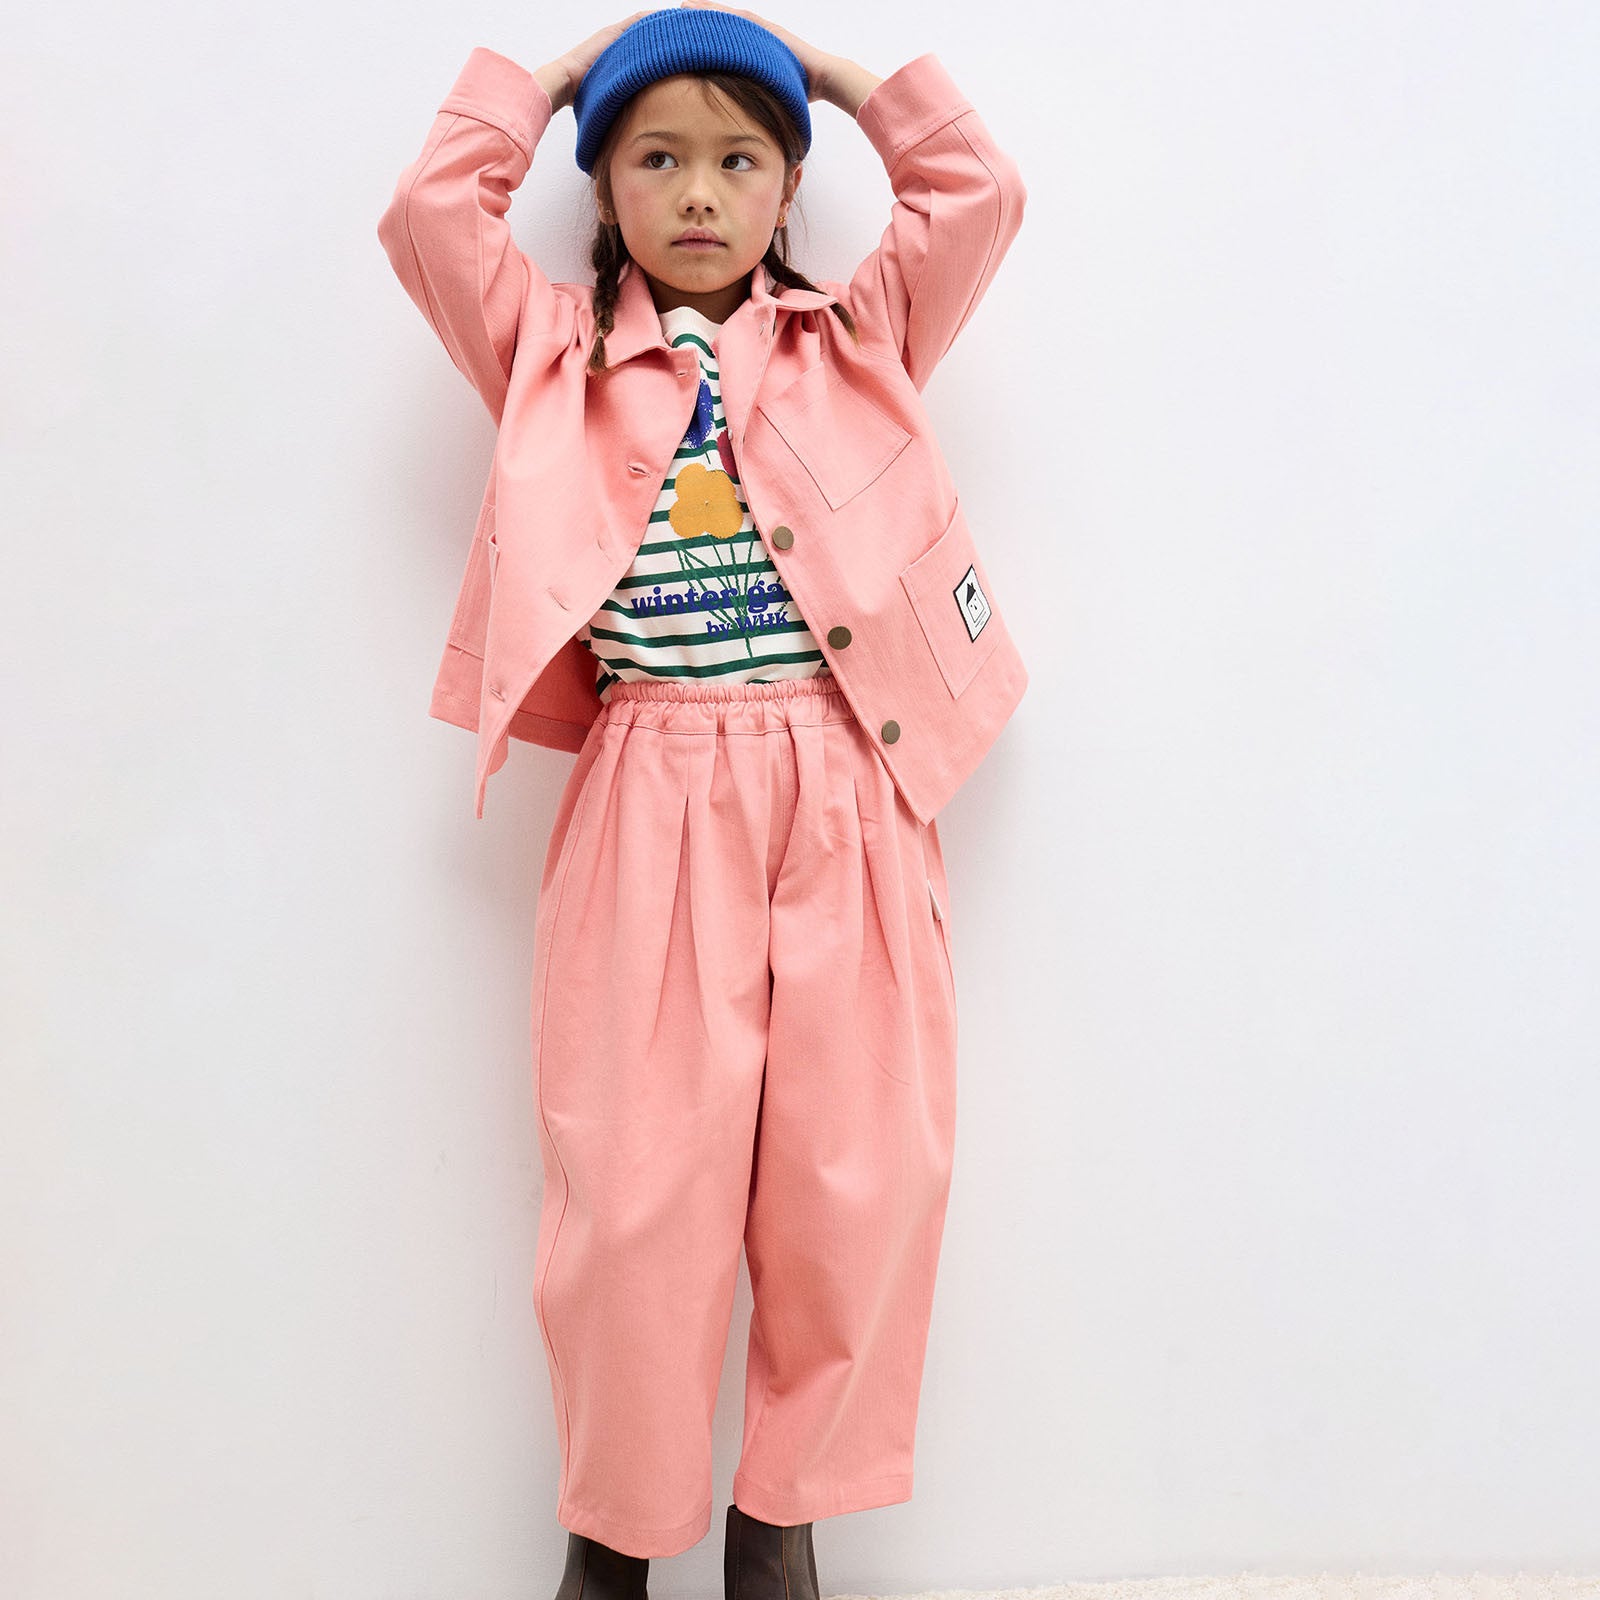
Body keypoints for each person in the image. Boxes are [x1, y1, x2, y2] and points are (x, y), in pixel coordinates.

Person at [377, 4, 1028, 1595]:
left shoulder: (861, 338)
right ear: (604, 188)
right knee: (634, 1194)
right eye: (656, 158)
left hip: (849, 785)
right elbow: (429, 214)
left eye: (740, 161)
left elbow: (979, 193)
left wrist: (830, 75)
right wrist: (558, 78)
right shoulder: (549, 355)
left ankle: (779, 1523)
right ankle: (613, 1541)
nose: (697, 192)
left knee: (856, 1176)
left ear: (789, 188)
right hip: (650, 790)